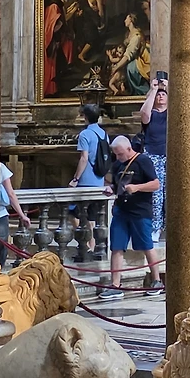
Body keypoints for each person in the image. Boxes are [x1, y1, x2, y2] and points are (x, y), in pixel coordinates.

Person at [100, 134, 163, 301]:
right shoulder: (117, 165)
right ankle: (115, 285)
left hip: (140, 210)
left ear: (129, 149)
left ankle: (156, 280)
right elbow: (117, 184)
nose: (118, 157)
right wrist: (111, 189)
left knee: (146, 245)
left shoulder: (143, 161)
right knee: (117, 246)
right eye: (116, 154)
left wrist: (137, 188)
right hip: (121, 210)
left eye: (120, 154)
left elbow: (156, 184)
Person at [69, 102, 110, 260]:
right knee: (92, 217)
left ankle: (85, 245)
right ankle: (92, 248)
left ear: (84, 117)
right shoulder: (103, 134)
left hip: (86, 179)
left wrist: (76, 178)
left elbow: (84, 158)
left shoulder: (85, 134)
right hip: (98, 179)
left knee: (73, 212)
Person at [139, 72, 168, 245]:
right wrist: (153, 90)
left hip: (170, 156)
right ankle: (155, 228)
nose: (161, 96)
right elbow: (144, 114)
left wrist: (170, 87)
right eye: (159, 95)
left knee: (170, 193)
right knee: (156, 195)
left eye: (163, 94)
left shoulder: (170, 113)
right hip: (153, 156)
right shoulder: (152, 114)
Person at [0, 161, 32, 268]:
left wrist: (22, 215)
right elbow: (11, 194)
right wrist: (22, 215)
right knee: (1, 246)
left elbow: (11, 194)